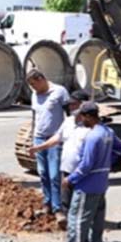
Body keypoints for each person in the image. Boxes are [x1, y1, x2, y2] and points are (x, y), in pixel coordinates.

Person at [52, 101, 121, 242]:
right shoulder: (108, 132)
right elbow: (119, 149)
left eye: (82, 116)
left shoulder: (92, 137)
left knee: (77, 220)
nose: (80, 119)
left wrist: (70, 179)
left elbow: (86, 164)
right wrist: (107, 164)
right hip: (101, 183)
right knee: (97, 221)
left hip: (87, 185)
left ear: (89, 117)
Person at [29, 90, 91, 224]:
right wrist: (38, 148)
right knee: (68, 203)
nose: (71, 108)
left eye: (74, 105)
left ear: (83, 105)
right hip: (68, 171)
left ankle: (85, 238)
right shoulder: (68, 122)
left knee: (81, 206)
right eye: (70, 105)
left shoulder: (92, 127)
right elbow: (57, 138)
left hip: (83, 173)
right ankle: (70, 235)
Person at [27, 68, 69, 218]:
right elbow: (35, 116)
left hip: (54, 139)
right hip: (39, 138)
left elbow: (69, 115)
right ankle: (47, 203)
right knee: (43, 173)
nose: (33, 88)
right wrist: (31, 137)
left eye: (34, 84)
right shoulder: (34, 95)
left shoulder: (59, 92)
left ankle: (58, 208)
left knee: (54, 175)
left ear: (41, 80)